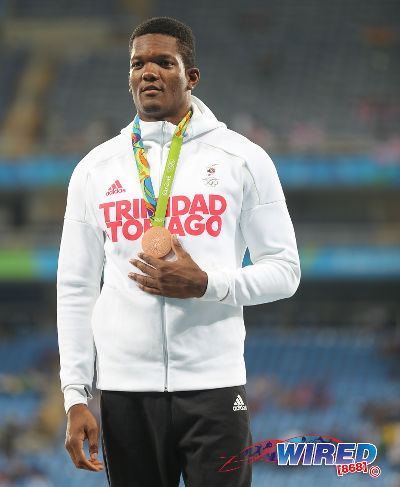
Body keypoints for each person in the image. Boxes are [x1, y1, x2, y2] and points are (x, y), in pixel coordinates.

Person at [57, 16, 301, 487]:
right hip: (125, 391)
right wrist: (74, 394)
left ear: (191, 76)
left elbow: (286, 270)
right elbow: (76, 286)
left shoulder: (242, 159)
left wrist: (210, 284)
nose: (148, 72)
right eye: (137, 64)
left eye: (163, 62)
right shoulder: (95, 169)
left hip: (214, 386)